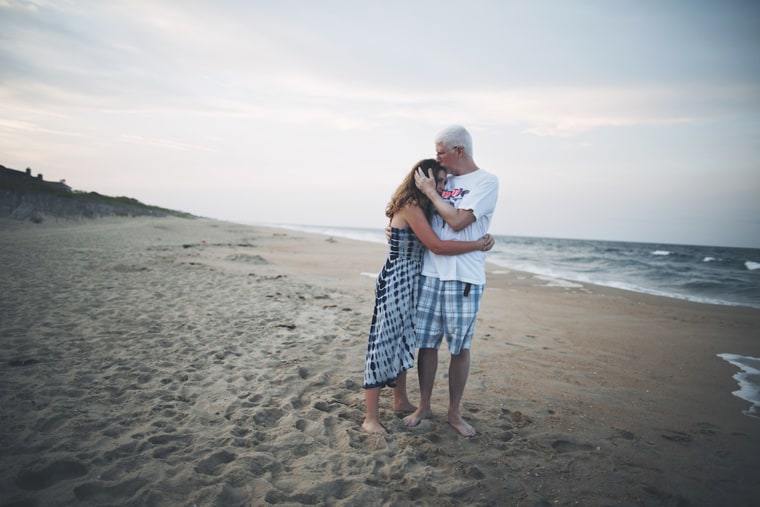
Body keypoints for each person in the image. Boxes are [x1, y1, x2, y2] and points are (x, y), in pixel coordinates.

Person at [362, 159, 494, 435]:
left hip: (414, 279)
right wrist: (479, 244)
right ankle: (370, 418)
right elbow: (436, 245)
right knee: (384, 341)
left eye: (446, 182)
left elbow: (445, 227)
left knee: (402, 341)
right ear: (425, 179)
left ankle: (400, 400)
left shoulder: (424, 207)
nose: (444, 187)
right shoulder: (411, 206)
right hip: (398, 279)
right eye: (440, 181)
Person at [403, 125, 499, 437]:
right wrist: (394, 227)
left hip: (464, 278)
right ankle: (424, 405)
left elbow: (458, 222)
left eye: (440, 151)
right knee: (427, 344)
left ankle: (454, 413)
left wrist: (433, 193)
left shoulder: (486, 181)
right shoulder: (441, 178)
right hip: (431, 273)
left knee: (459, 347)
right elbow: (410, 203)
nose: (437, 157)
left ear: (459, 150)